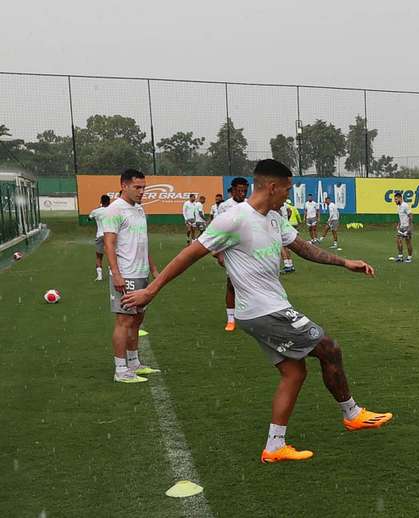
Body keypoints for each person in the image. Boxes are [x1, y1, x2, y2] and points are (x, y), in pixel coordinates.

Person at [122, 159, 392, 463]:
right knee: (329, 347)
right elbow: (190, 253)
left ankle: (274, 445)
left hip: (267, 308)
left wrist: (344, 262)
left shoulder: (275, 218)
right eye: (288, 189)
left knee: (294, 373)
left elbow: (303, 247)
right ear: (272, 186)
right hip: (264, 311)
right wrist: (151, 289)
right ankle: (351, 413)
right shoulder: (233, 219)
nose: (289, 196)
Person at [101, 169, 161, 383]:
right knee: (124, 321)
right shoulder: (114, 210)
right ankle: (120, 370)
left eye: (144, 187)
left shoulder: (139, 209)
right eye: (137, 187)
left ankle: (134, 363)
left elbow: (143, 242)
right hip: (126, 274)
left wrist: (153, 269)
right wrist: (116, 275)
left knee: (137, 320)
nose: (142, 191)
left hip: (141, 273)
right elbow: (109, 244)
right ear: (123, 185)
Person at [217, 178, 249, 331]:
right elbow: (220, 230)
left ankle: (250, 315)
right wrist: (219, 253)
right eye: (239, 190)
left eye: (245, 190)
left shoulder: (250, 205)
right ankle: (231, 319)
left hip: (250, 249)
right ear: (233, 190)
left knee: (252, 283)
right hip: (232, 251)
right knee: (231, 285)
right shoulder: (225, 206)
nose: (242, 193)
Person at [88, 194, 112, 281]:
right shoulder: (112, 210)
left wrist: (98, 207)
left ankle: (99, 276)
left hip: (99, 235)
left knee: (99, 256)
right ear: (109, 202)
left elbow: (89, 218)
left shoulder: (96, 211)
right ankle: (111, 274)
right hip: (109, 235)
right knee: (111, 255)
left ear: (101, 201)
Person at [389, 197, 414, 263]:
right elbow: (401, 217)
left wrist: (409, 227)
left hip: (406, 227)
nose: (395, 201)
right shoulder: (398, 207)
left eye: (396, 199)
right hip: (401, 227)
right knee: (398, 241)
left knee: (408, 242)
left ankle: (409, 258)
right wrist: (399, 224)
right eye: (395, 200)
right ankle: (400, 257)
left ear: (400, 198)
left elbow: (410, 216)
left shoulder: (405, 205)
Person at [279, 198, 299, 273]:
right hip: (286, 225)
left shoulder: (278, 205)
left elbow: (279, 213)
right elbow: (290, 211)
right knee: (287, 247)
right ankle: (291, 265)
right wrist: (287, 219)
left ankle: (287, 265)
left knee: (281, 246)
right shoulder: (285, 205)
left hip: (281, 227)